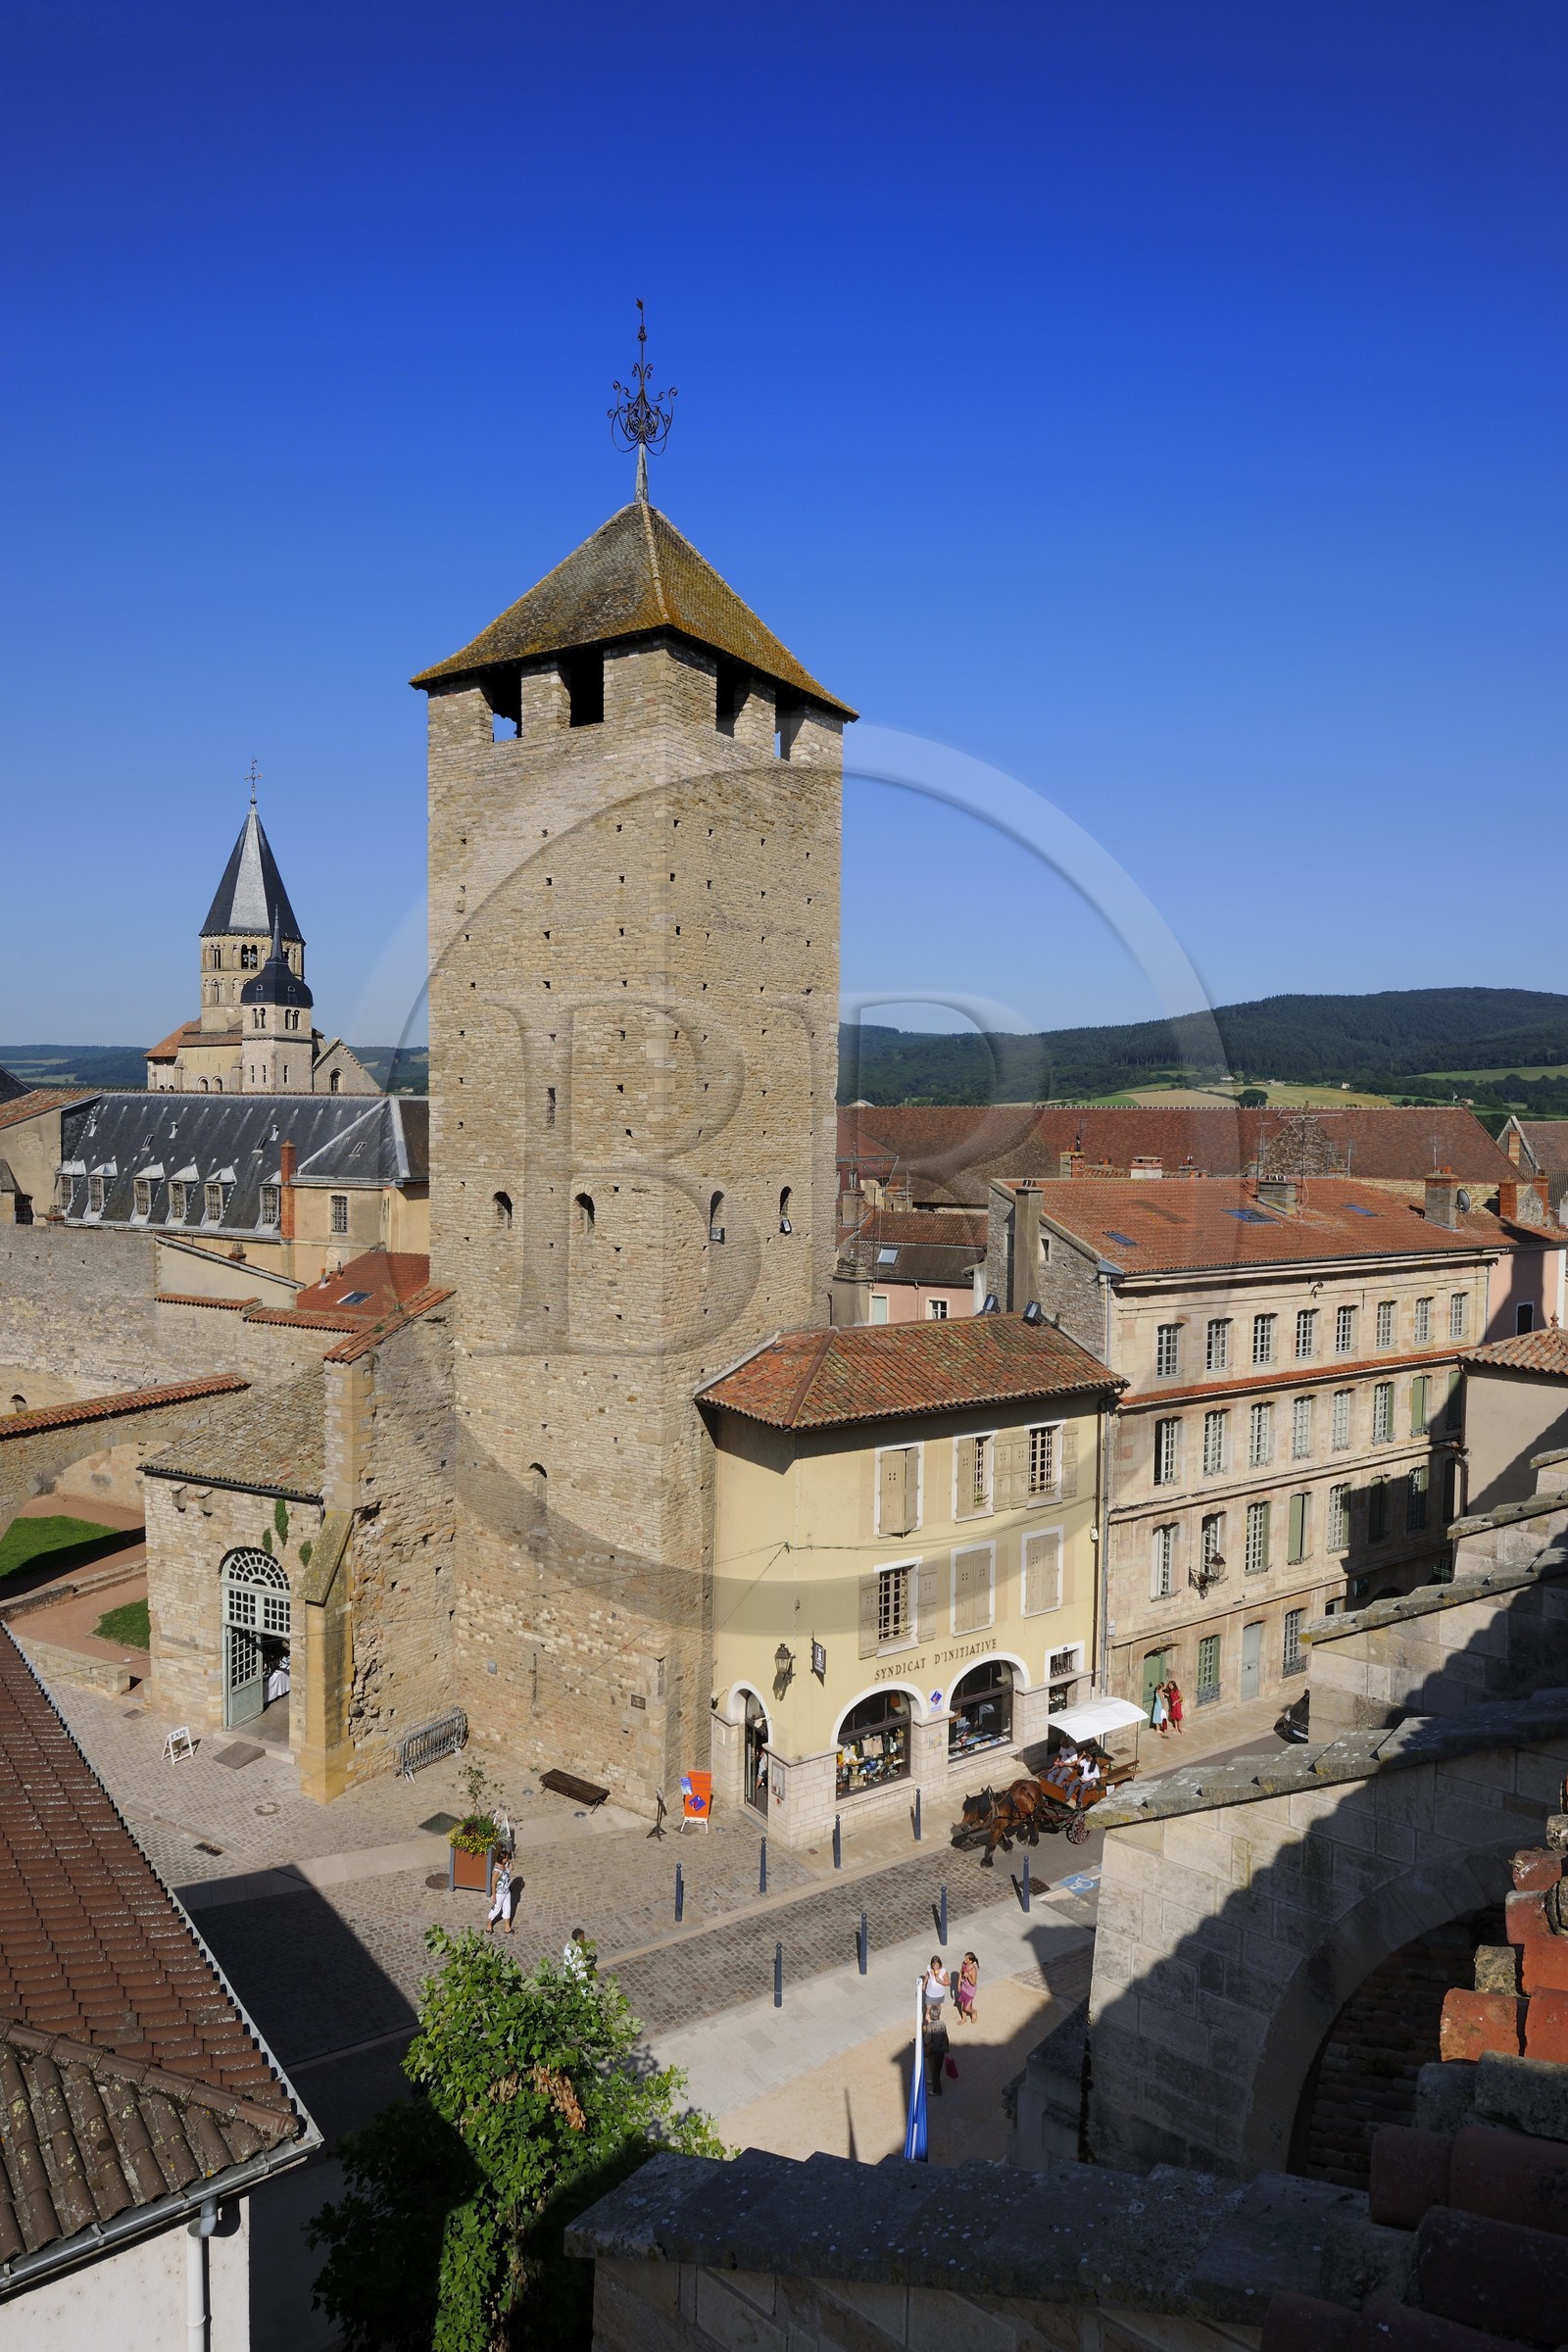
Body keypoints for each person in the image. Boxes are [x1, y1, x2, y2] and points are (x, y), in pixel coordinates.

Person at [920, 1956, 951, 2095]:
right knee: (936, 2068)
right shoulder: (942, 2024)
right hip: (941, 2049)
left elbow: (927, 2039)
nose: (935, 1966)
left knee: (935, 2068)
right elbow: (945, 2036)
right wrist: (948, 2047)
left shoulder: (931, 2027)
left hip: (935, 2050)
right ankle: (934, 2081)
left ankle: (937, 2089)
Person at [486, 1850, 514, 1936]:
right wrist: (494, 1896)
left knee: (507, 1908)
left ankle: (507, 1927)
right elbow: (493, 1883)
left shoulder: (504, 1865)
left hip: (506, 1892)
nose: (507, 1858)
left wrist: (510, 1861)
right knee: (496, 1909)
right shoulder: (497, 1871)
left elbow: (511, 1869)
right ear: (502, 1858)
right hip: (499, 1893)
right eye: (506, 1857)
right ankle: (489, 1926)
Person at [955, 1951, 980, 2025]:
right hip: (964, 1987)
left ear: (970, 1961)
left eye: (966, 1958)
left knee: (967, 2007)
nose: (964, 1959)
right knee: (962, 2004)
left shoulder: (973, 1969)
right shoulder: (964, 1964)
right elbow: (960, 1973)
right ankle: (964, 2018)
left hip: (971, 1990)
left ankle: (974, 2012)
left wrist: (968, 1976)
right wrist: (959, 1984)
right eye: (965, 1958)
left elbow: (973, 1983)